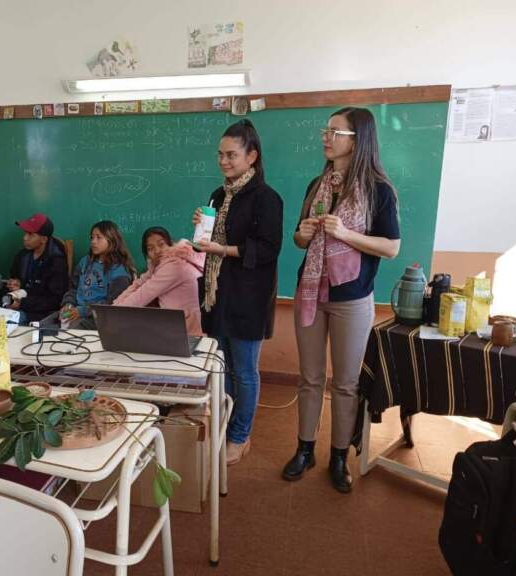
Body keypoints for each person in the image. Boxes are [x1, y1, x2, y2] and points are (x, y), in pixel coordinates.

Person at [282, 107, 400, 493]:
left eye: (335, 132)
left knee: (346, 384)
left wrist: (346, 234)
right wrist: (302, 234)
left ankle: (338, 457)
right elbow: (300, 240)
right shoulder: (317, 184)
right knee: (310, 378)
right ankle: (304, 449)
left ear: (357, 139)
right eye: (326, 130)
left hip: (353, 297)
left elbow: (391, 247)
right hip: (311, 291)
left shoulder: (379, 190)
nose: (325, 137)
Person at [192, 119, 283, 466]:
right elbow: (210, 243)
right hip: (217, 295)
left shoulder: (266, 198)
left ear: (252, 156)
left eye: (231, 155)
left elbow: (268, 249)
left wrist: (222, 249)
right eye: (220, 155)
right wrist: (202, 228)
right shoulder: (219, 195)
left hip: (249, 298)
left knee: (244, 371)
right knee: (223, 368)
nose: (223, 161)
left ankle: (240, 435)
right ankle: (227, 426)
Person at [114, 226, 205, 335]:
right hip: (178, 324)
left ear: (170, 244)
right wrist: (115, 307)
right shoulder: (160, 265)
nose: (157, 251)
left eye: (161, 244)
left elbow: (142, 295)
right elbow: (138, 284)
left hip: (189, 330)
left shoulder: (174, 265)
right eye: (150, 248)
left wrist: (113, 313)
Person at [60, 220, 135, 329]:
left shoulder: (119, 271)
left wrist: (83, 311)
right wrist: (68, 304)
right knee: (49, 326)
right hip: (75, 310)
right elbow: (73, 288)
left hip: (100, 317)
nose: (93, 242)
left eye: (99, 237)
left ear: (112, 240)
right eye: (92, 237)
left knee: (72, 332)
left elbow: (113, 303)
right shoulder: (84, 262)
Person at [5, 213, 69, 323]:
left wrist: (22, 303)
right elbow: (14, 277)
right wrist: (16, 284)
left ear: (43, 239)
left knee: (7, 322)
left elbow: (55, 300)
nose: (25, 238)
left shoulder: (57, 262)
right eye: (25, 233)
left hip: (40, 313)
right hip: (18, 304)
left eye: (30, 234)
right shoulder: (22, 255)